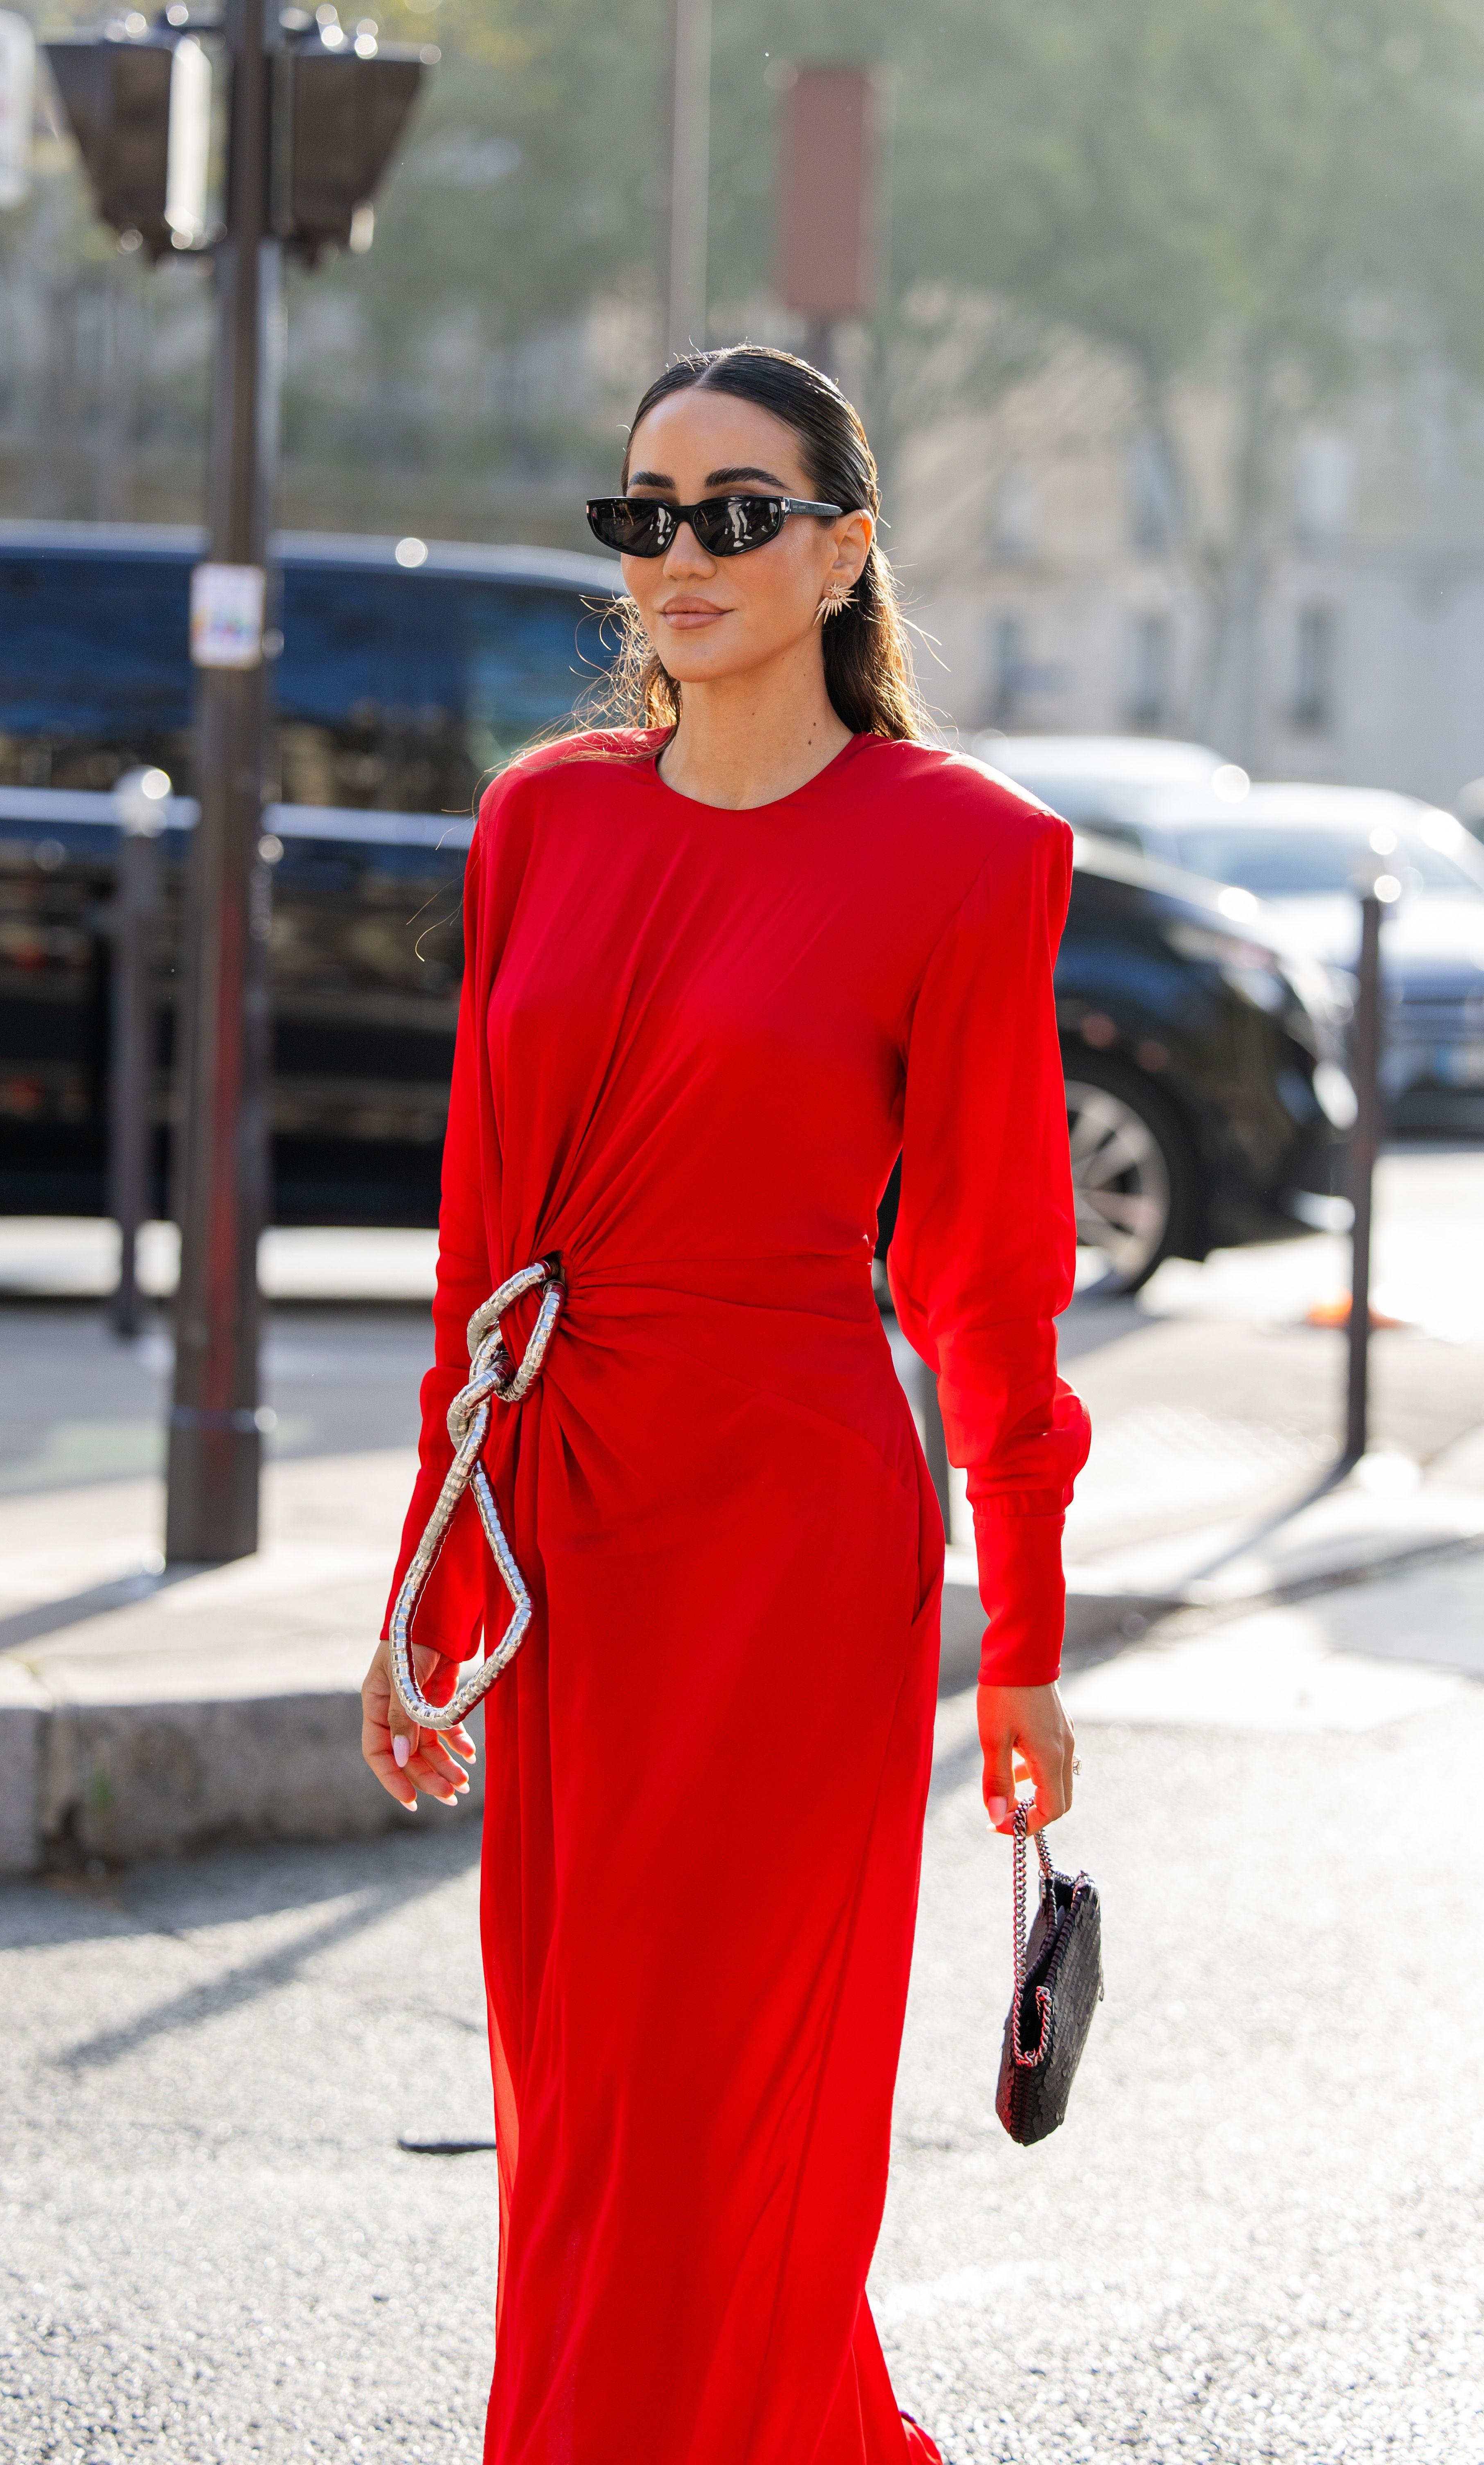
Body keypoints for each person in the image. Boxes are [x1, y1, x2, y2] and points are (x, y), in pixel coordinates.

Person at [361, 343, 1090, 2465]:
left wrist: (1026, 1636)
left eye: (734, 511)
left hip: (790, 1533)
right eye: (644, 512)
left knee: (707, 2097)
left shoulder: (966, 853)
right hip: (569, 1518)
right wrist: (428, 1572)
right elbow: (482, 1252)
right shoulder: (541, 819)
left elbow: (988, 1281)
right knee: (584, 2096)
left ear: (843, 545)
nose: (680, 554)